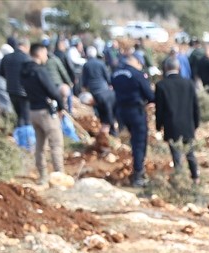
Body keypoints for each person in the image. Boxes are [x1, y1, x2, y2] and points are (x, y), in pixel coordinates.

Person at [21, 43, 65, 184]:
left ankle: (43, 176)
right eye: (45, 53)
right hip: (45, 112)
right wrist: (61, 107)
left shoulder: (24, 71)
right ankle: (60, 176)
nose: (46, 56)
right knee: (56, 144)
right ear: (39, 53)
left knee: (40, 146)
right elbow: (53, 91)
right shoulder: (40, 71)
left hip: (32, 111)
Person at [154, 55, 201, 184]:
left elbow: (160, 109)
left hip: (171, 125)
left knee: (176, 155)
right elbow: (195, 106)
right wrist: (196, 123)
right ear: (179, 67)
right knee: (190, 153)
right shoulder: (189, 83)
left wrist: (158, 126)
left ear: (165, 68)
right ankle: (195, 177)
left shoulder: (161, 85)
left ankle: (180, 180)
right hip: (188, 125)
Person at [111, 48, 154, 187]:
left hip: (121, 112)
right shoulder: (137, 74)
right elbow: (149, 95)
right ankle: (138, 175)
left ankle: (135, 170)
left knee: (131, 142)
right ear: (135, 61)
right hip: (136, 111)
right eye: (140, 63)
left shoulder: (116, 74)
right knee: (139, 142)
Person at [1, 38, 33, 147]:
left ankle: (20, 142)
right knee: (26, 117)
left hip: (11, 91)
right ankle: (28, 144)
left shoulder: (6, 58)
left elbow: (1, 72)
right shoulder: (27, 58)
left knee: (19, 116)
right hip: (24, 92)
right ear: (26, 47)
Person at [81, 46, 115, 136]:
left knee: (98, 109)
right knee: (107, 109)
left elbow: (84, 80)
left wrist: (84, 89)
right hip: (103, 90)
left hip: (93, 92)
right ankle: (111, 130)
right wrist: (110, 84)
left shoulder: (86, 65)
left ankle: (103, 126)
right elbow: (107, 75)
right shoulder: (101, 63)